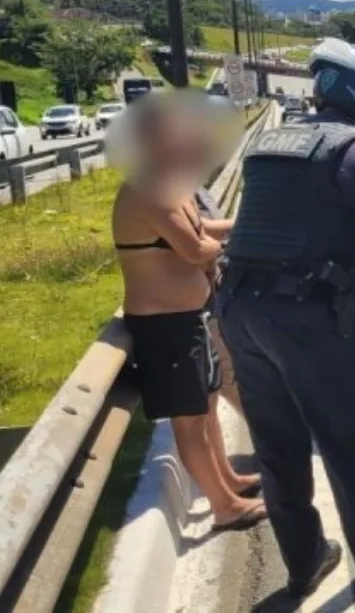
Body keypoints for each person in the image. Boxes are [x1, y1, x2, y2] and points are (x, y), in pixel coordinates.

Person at [215, 38, 355, 609]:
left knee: (278, 448)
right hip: (310, 320)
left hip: (241, 311)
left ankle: (305, 563)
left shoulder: (269, 143)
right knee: (351, 450)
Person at [110, 92, 267, 533]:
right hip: (165, 327)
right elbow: (195, 247)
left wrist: (245, 226)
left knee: (206, 408)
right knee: (191, 419)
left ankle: (229, 482)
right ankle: (223, 506)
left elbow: (204, 229)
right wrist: (229, 249)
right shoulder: (149, 191)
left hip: (188, 320)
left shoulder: (169, 184)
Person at [192, 184, 245, 419]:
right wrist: (243, 225)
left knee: (234, 367)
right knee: (228, 371)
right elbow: (198, 234)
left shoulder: (190, 184)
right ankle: (271, 438)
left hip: (217, 290)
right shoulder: (171, 187)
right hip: (203, 297)